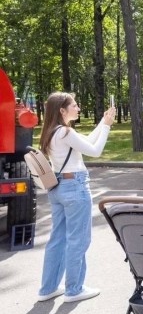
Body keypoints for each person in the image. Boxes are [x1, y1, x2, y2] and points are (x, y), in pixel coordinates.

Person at [36, 92, 116, 303]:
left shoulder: (52, 131)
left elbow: (86, 142)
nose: (78, 108)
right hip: (75, 187)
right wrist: (107, 127)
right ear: (62, 110)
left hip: (58, 187)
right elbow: (95, 151)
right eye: (74, 105)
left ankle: (48, 288)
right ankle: (74, 290)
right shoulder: (65, 132)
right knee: (78, 240)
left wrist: (103, 122)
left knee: (58, 239)